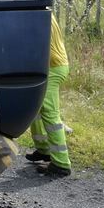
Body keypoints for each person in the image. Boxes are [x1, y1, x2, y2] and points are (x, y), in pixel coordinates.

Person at [26, 12, 72, 177]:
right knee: (35, 107)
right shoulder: (43, 11)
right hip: (51, 65)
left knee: (50, 114)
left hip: (52, 67)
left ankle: (61, 163)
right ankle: (44, 150)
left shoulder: (37, 15)